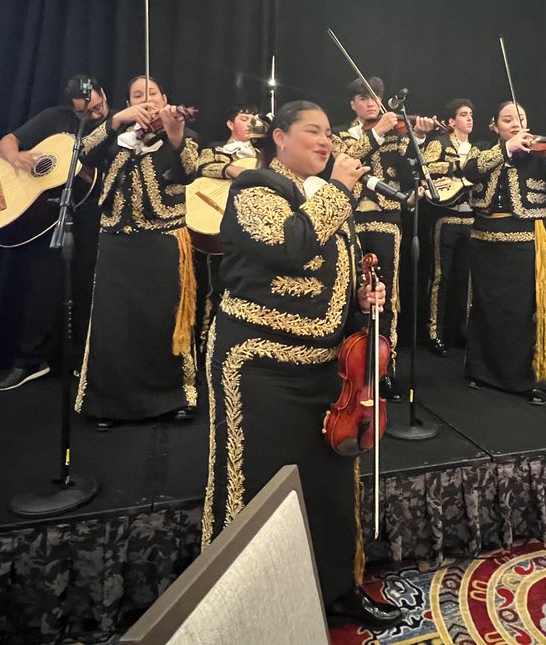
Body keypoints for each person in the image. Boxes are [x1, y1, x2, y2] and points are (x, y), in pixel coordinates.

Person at [201, 100, 401, 630]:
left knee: (331, 487)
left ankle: (336, 592)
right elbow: (288, 248)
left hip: (326, 372)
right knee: (259, 487)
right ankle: (246, 602)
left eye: (330, 133)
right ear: (279, 139)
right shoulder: (256, 188)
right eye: (312, 131)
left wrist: (361, 299)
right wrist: (337, 189)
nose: (326, 141)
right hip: (259, 365)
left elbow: (322, 277)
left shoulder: (328, 200)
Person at [74, 75, 199, 428]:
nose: (146, 100)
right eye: (136, 95)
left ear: (165, 97)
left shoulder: (182, 135)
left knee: (164, 319)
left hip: (162, 241)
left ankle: (174, 398)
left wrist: (174, 132)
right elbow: (80, 153)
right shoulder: (116, 138)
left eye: (152, 94)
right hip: (117, 241)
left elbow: (190, 170)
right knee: (114, 323)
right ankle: (110, 403)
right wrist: (116, 121)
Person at [0, 74, 109, 391]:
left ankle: (85, 364)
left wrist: (76, 166)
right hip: (48, 215)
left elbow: (106, 180)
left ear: (104, 94)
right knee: (43, 288)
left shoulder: (115, 128)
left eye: (99, 106)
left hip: (92, 217)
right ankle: (30, 362)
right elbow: (7, 141)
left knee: (87, 291)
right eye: (87, 112)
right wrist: (16, 158)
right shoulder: (56, 117)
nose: (95, 115)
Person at [462, 101, 546, 404]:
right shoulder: (483, 149)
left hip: (528, 240)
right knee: (488, 309)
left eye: (521, 118)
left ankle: (529, 377)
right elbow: (471, 171)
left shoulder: (542, 153)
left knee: (526, 311)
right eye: (507, 119)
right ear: (495, 125)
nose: (515, 124)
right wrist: (506, 148)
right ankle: (483, 371)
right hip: (486, 241)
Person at [332, 77, 434, 395]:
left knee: (384, 293)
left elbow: (417, 165)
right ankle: (345, 365)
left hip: (386, 219)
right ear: (353, 104)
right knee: (349, 292)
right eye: (363, 98)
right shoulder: (341, 135)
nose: (370, 103)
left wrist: (418, 136)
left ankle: (384, 369)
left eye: (375, 97)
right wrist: (376, 133)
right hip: (348, 218)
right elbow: (344, 158)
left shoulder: (397, 134)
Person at [194, 105, 260, 342]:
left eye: (254, 120)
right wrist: (231, 169)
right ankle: (205, 346)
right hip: (216, 223)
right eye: (244, 119)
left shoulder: (265, 156)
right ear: (230, 124)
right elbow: (199, 166)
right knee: (213, 288)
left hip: (251, 229)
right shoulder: (215, 148)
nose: (251, 123)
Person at [420, 98, 477, 355]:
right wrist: (456, 166)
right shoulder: (439, 143)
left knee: (464, 279)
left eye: (471, 114)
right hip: (446, 217)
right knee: (441, 277)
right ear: (452, 121)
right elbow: (426, 170)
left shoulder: (478, 150)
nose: (469, 118)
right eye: (464, 114)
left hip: (472, 219)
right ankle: (434, 332)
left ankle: (460, 331)